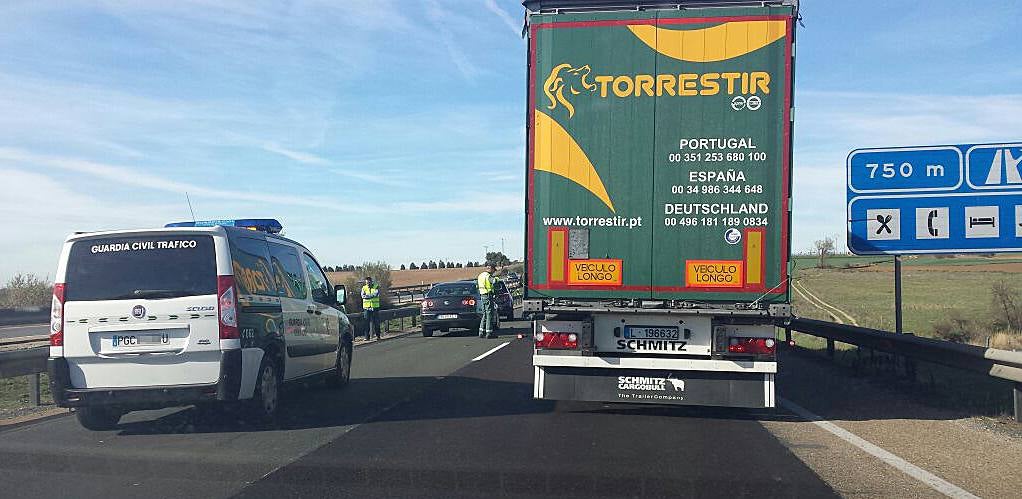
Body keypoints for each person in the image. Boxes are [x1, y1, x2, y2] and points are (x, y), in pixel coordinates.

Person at [477, 264, 498, 339]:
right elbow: (494, 281)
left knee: (484, 314)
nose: (493, 272)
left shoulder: (480, 275)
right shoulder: (488, 276)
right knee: (489, 314)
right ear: (491, 269)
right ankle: (489, 333)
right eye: (493, 270)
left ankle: (481, 332)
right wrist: (497, 279)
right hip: (488, 296)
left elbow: (477, 286)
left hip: (482, 296)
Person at [361, 276, 381, 341]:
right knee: (366, 323)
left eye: (369, 283)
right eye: (367, 283)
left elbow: (375, 294)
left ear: (371, 282)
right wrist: (370, 296)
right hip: (366, 308)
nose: (368, 284)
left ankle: (378, 336)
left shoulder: (376, 286)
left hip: (375, 307)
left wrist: (367, 296)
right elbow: (362, 296)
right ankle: (367, 337)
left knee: (376, 323)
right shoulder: (364, 288)